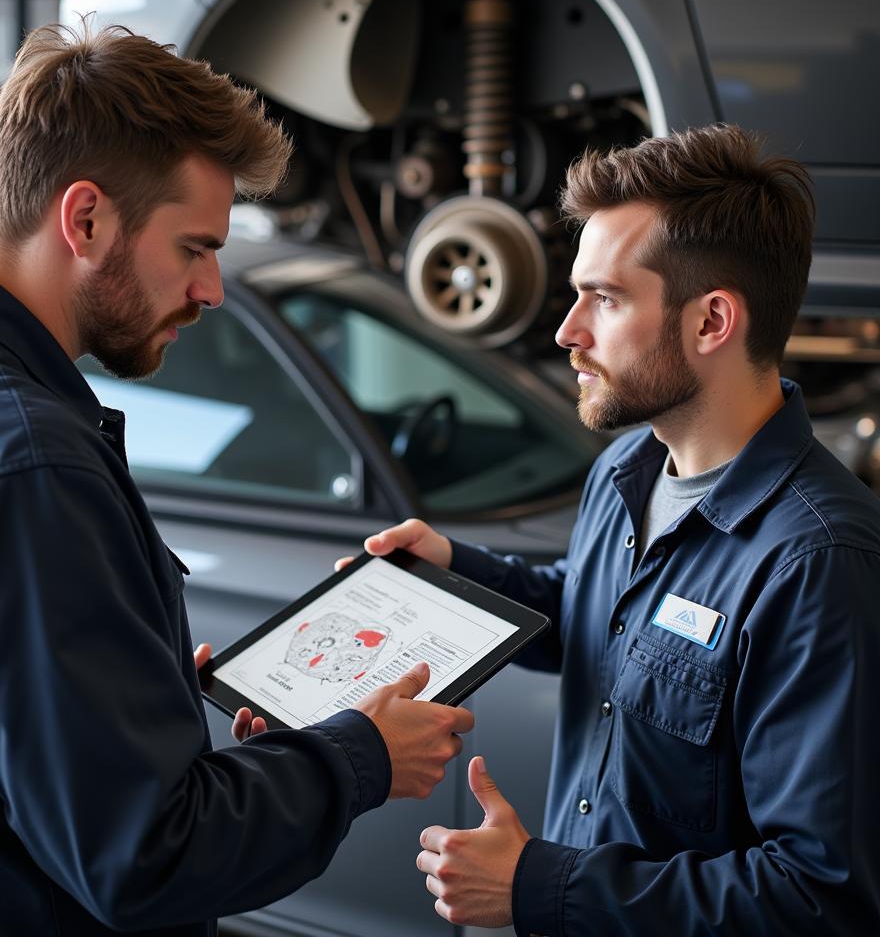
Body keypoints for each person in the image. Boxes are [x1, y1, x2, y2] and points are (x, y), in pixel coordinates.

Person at [0, 22, 473, 937]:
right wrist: (361, 756)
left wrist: (130, 688)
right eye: (194, 247)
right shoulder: (28, 464)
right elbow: (144, 856)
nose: (213, 287)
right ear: (87, 219)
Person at [345, 125, 880, 934]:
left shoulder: (817, 563)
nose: (567, 332)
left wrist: (539, 884)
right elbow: (598, 621)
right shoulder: (629, 469)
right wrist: (455, 570)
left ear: (711, 323)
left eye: (606, 297)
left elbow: (818, 896)